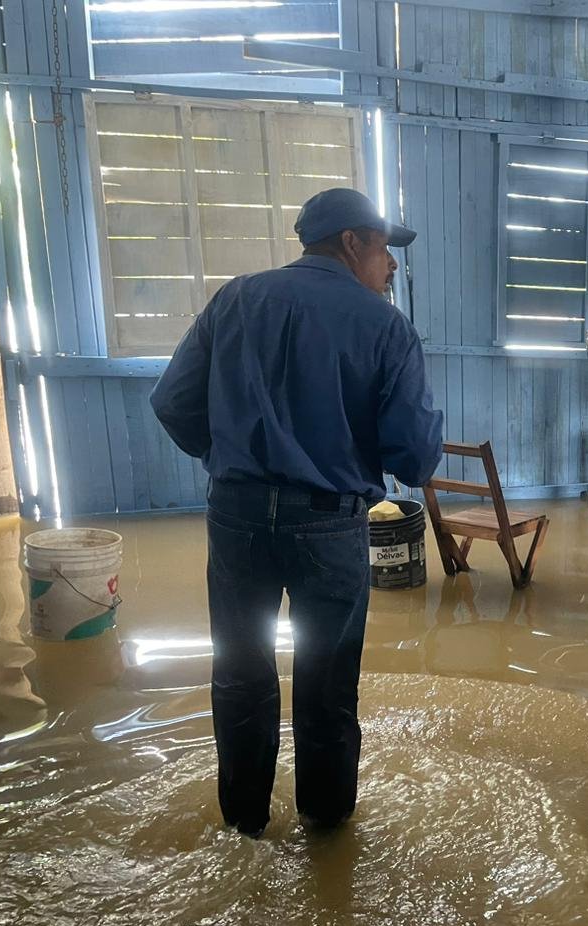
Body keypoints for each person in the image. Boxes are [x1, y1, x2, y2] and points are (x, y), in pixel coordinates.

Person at [151, 188, 443, 837]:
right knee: (328, 686)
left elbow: (172, 401)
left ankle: (244, 829)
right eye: (385, 250)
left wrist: (230, 456)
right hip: (330, 526)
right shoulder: (384, 326)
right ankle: (327, 830)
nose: (392, 266)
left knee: (240, 673)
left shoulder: (235, 299)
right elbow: (416, 459)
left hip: (237, 518)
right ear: (351, 244)